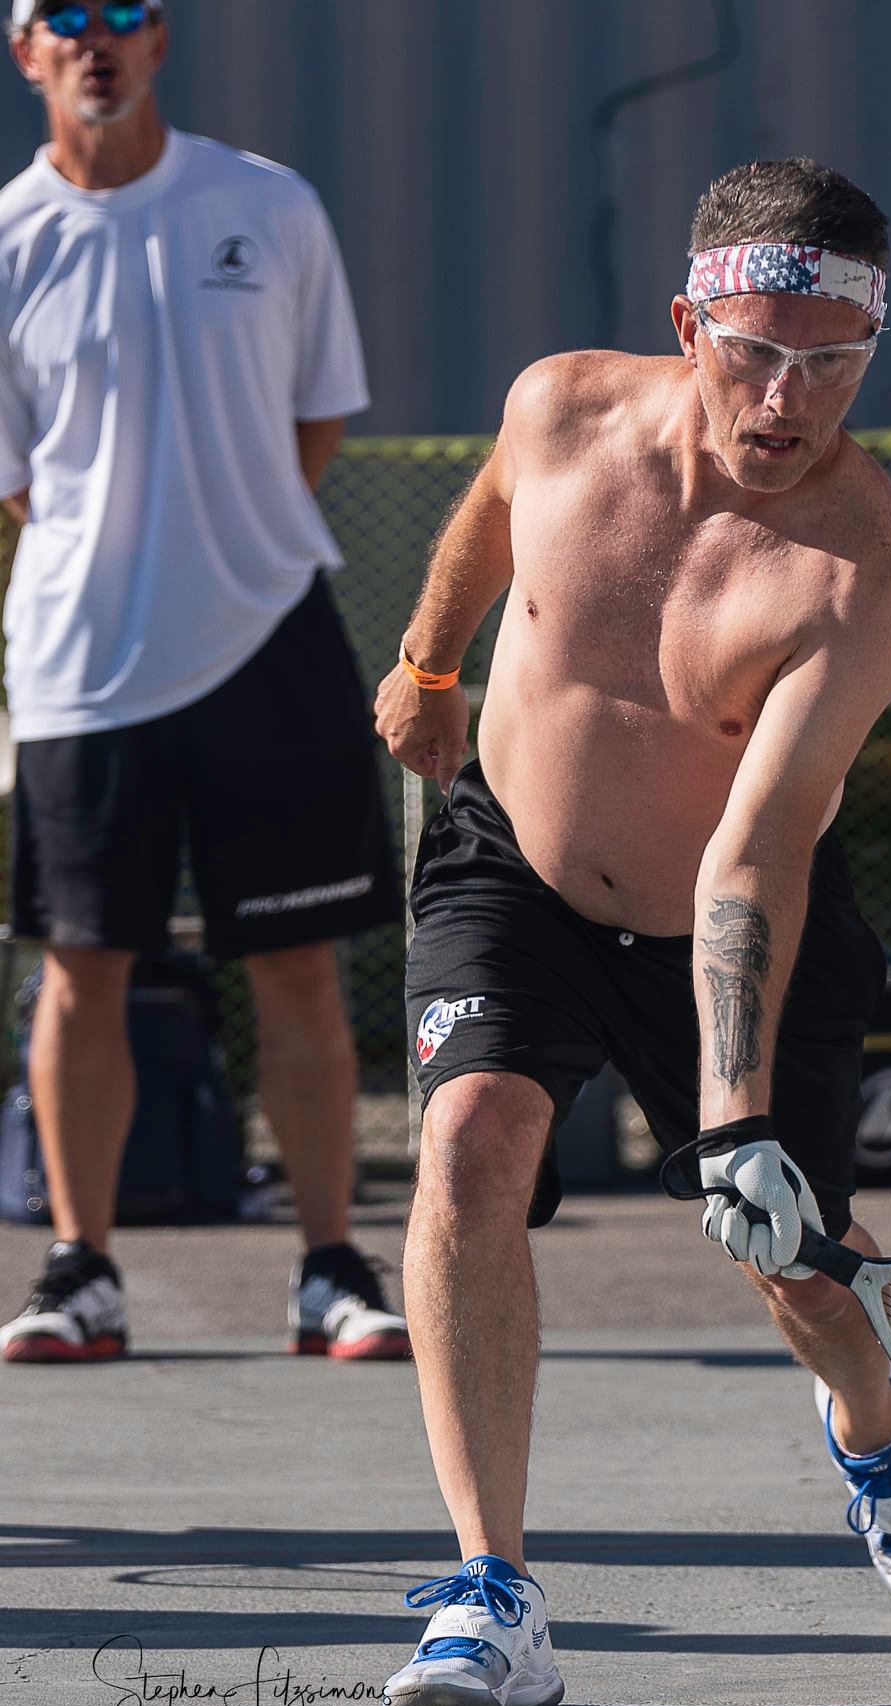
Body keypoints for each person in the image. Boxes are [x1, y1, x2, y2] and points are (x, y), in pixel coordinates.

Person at [372, 157, 891, 1706]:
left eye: (835, 361)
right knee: (468, 1143)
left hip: (736, 922)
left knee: (795, 1272)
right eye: (757, 352)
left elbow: (756, 850)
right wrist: (430, 663)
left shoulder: (861, 571)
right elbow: (493, 509)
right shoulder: (561, 409)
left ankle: (873, 1428)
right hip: (513, 869)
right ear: (687, 324)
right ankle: (492, 1592)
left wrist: (734, 1114)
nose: (789, 399)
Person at [0, 0, 407, 1363]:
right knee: (83, 968)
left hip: (270, 638)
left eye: (124, 12)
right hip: (81, 667)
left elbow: (318, 412)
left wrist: (228, 552)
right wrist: (126, 565)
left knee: (297, 961)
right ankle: (82, 1271)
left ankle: (330, 1268)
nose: (96, 39)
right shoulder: (9, 239)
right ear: (25, 51)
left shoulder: (269, 206)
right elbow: (17, 481)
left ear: (160, 41)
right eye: (65, 17)